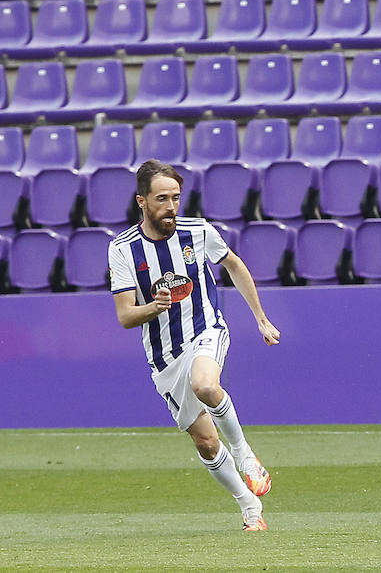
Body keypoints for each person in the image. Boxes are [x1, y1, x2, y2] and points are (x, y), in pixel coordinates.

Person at [108, 160, 281, 531]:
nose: (171, 206)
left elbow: (233, 264)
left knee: (206, 385)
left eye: (175, 198)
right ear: (142, 201)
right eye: (161, 199)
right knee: (204, 441)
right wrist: (153, 307)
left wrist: (260, 318)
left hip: (206, 329)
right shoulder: (122, 250)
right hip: (164, 356)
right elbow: (125, 316)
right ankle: (248, 505)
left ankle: (245, 455)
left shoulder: (198, 231)